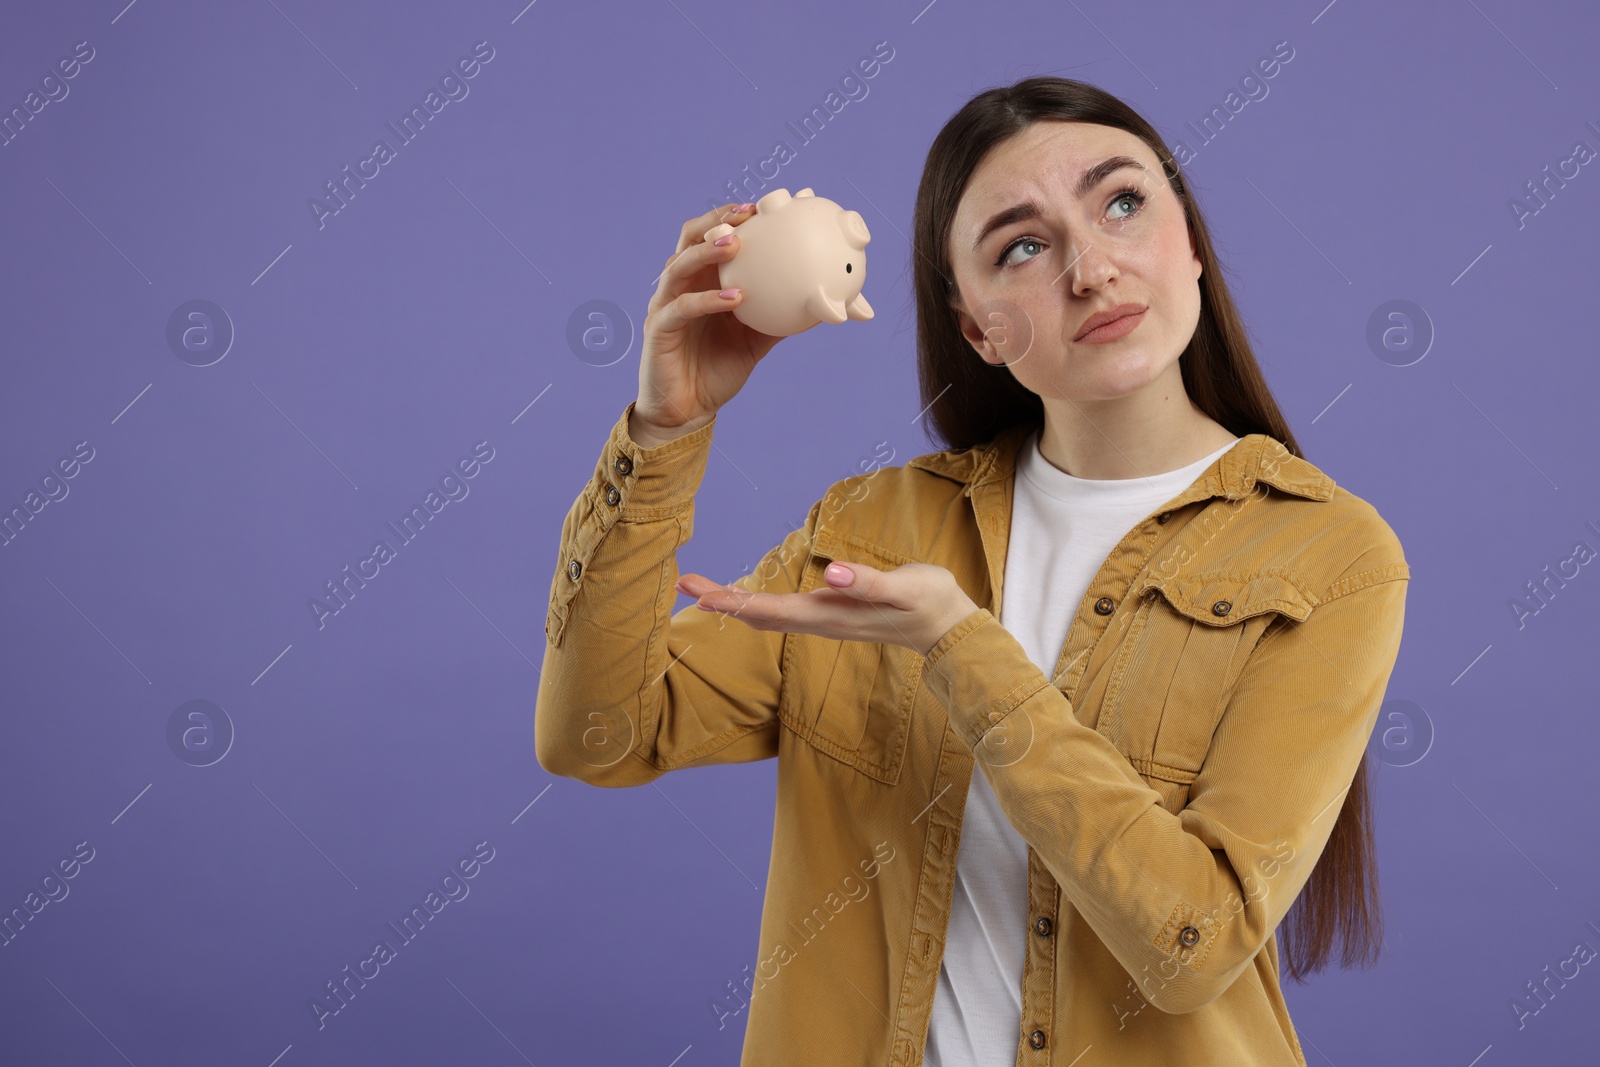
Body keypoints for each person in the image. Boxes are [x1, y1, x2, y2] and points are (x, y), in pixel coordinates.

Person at [536, 75, 1409, 1067]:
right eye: (1022, 247)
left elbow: (1189, 943)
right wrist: (667, 427)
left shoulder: (1328, 552)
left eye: (1121, 202)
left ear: (1191, 244)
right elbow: (595, 736)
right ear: (977, 329)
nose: (1089, 268)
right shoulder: (872, 528)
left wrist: (962, 651)